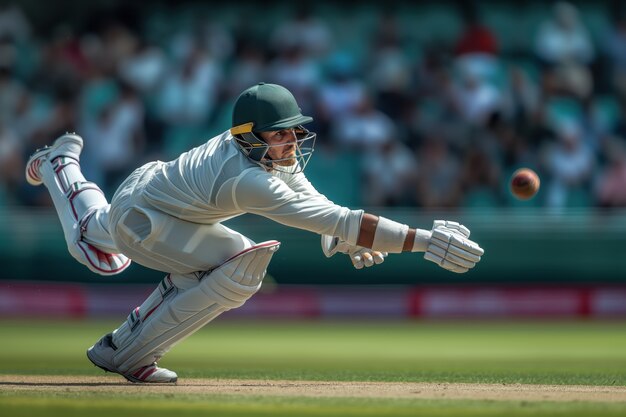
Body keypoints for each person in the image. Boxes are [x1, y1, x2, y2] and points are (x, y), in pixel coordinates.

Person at [25, 82, 484, 383]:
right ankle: (125, 352)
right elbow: (342, 221)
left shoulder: (268, 159)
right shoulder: (250, 179)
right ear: (248, 137)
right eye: (277, 134)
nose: (289, 142)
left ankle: (59, 165)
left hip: (150, 197)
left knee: (95, 236)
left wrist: (342, 237)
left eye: (291, 132)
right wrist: (424, 240)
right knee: (243, 261)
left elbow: (328, 215)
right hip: (147, 218)